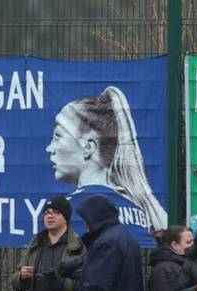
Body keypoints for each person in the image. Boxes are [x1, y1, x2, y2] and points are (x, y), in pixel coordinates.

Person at [46, 86, 168, 244]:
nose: (49, 148)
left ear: (89, 147)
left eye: (58, 136)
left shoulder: (69, 209)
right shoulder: (139, 209)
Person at [53, 195, 144, 291]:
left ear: (95, 218)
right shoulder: (122, 236)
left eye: (86, 219)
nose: (84, 224)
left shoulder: (108, 242)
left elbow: (98, 285)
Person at [11, 196, 84, 291]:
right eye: (46, 213)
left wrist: (59, 282)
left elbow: (83, 285)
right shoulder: (36, 243)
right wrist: (22, 277)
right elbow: (15, 281)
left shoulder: (77, 246)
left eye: (56, 212)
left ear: (66, 218)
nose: (50, 216)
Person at [147, 225, 193, 291]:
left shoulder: (180, 265)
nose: (193, 245)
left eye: (193, 241)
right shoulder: (165, 269)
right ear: (174, 245)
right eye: (188, 242)